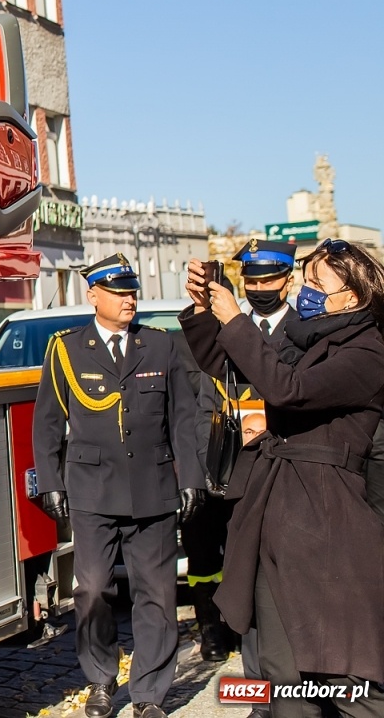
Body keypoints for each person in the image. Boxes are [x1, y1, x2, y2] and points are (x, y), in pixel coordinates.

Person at [183, 242, 384, 718]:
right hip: (278, 512)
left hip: (326, 518)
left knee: (342, 669)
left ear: (352, 297)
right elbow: (236, 364)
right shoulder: (313, 335)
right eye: (306, 280)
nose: (304, 291)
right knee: (283, 672)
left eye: (317, 284)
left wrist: (235, 319)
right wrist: (206, 307)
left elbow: (286, 390)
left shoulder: (368, 351)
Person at [32, 253, 205, 718]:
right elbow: (47, 422)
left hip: (152, 487)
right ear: (93, 295)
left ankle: (149, 692)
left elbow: (183, 419)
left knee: (159, 593)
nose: (131, 299)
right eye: (119, 291)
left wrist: (190, 478)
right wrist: (50, 480)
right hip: (91, 489)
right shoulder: (67, 349)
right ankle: (101, 679)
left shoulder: (160, 346)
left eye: (132, 291)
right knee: (91, 591)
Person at [179, 238, 293, 678]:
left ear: (288, 278)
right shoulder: (226, 330)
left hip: (285, 472)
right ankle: (256, 683)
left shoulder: (305, 330)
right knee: (230, 572)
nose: (260, 286)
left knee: (278, 581)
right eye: (251, 279)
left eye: (268, 278)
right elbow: (204, 379)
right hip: (230, 471)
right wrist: (206, 311)